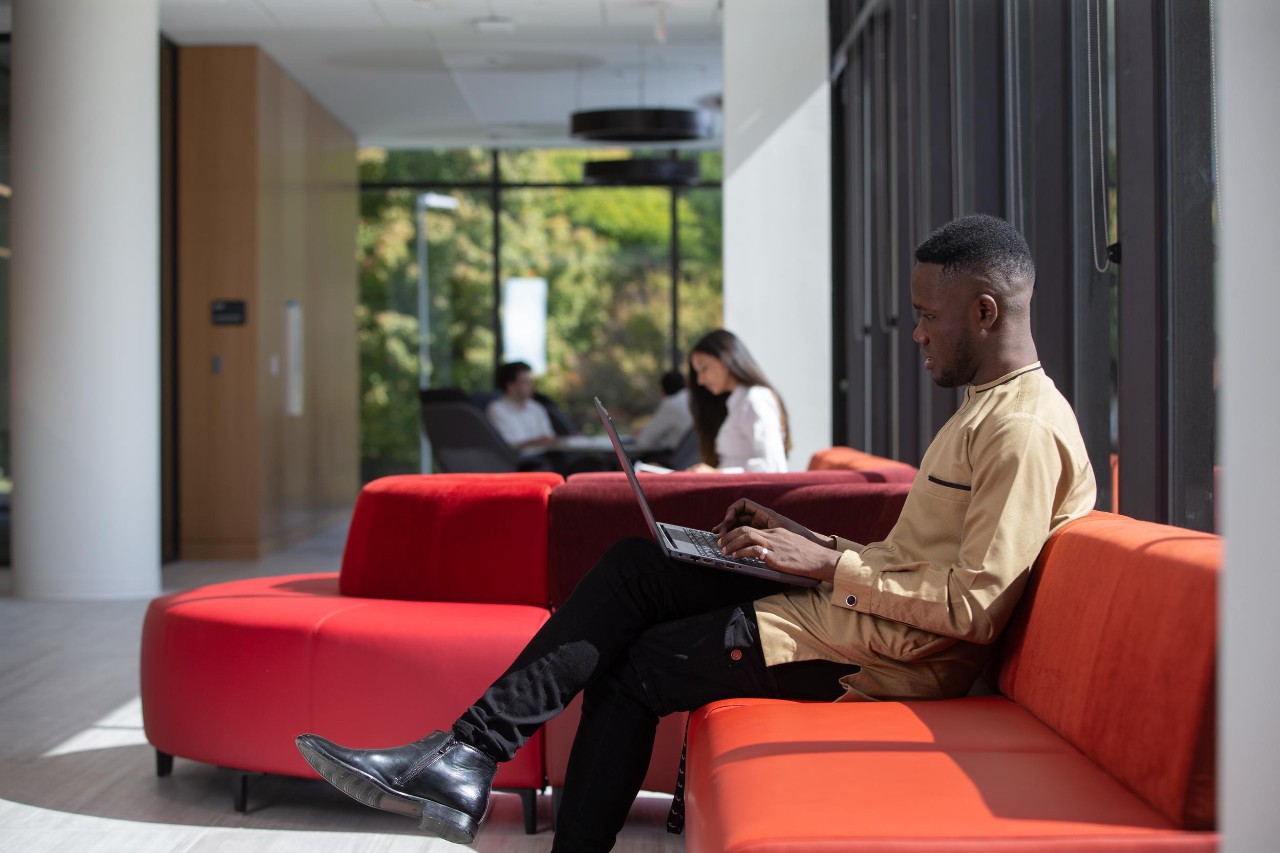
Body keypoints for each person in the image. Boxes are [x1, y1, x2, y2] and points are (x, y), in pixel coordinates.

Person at [295, 214, 1097, 851]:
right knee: (638, 566)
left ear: (985, 311)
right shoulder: (984, 411)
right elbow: (920, 561)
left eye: (929, 316)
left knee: (639, 664)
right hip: (862, 615)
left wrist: (822, 566)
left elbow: (972, 612)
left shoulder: (1021, 431)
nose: (917, 334)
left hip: (885, 658)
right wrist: (795, 537)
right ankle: (466, 754)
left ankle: (466, 763)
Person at [686, 329, 790, 473]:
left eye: (704, 368)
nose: (700, 380)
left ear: (726, 358)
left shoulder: (755, 399)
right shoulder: (736, 404)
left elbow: (773, 467)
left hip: (748, 495)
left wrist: (717, 474)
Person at [486, 361, 557, 453]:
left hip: (547, 458)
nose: (531, 385)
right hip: (519, 464)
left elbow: (550, 438)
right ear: (510, 386)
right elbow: (507, 447)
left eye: (531, 381)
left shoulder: (537, 408)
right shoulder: (496, 410)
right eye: (525, 382)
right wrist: (537, 442)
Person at [631, 371, 693, 455]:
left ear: (663, 391)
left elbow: (645, 442)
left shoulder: (671, 404)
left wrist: (640, 434)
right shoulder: (692, 399)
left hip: (680, 460)